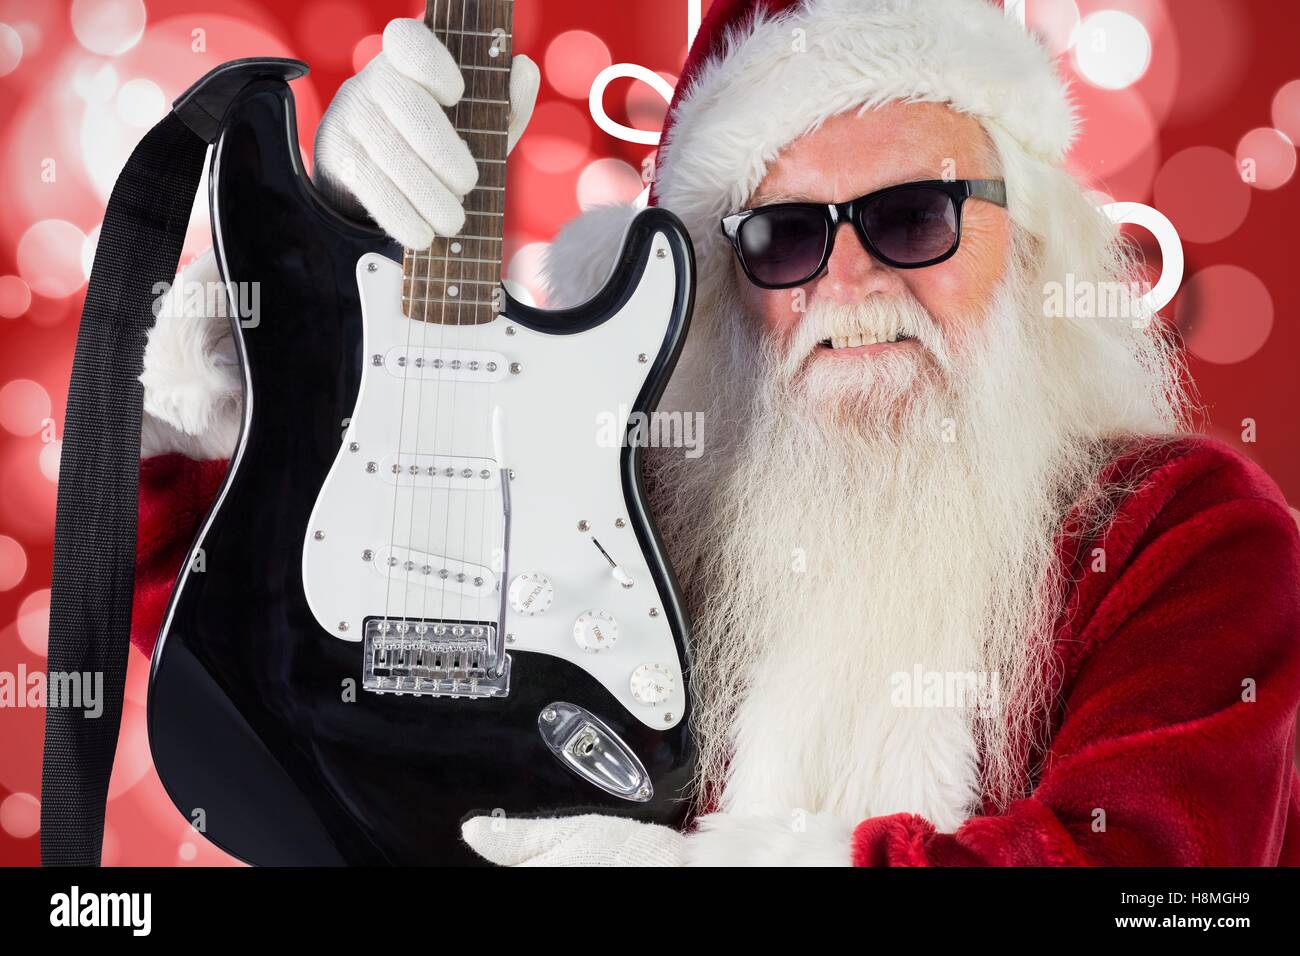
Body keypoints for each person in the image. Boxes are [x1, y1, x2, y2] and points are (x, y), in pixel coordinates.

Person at [134, 0, 1300, 866]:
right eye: (784, 237)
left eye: (912, 216)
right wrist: (300, 286)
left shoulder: (1186, 534)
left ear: (1033, 240)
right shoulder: (632, 516)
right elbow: (229, 624)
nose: (846, 280)